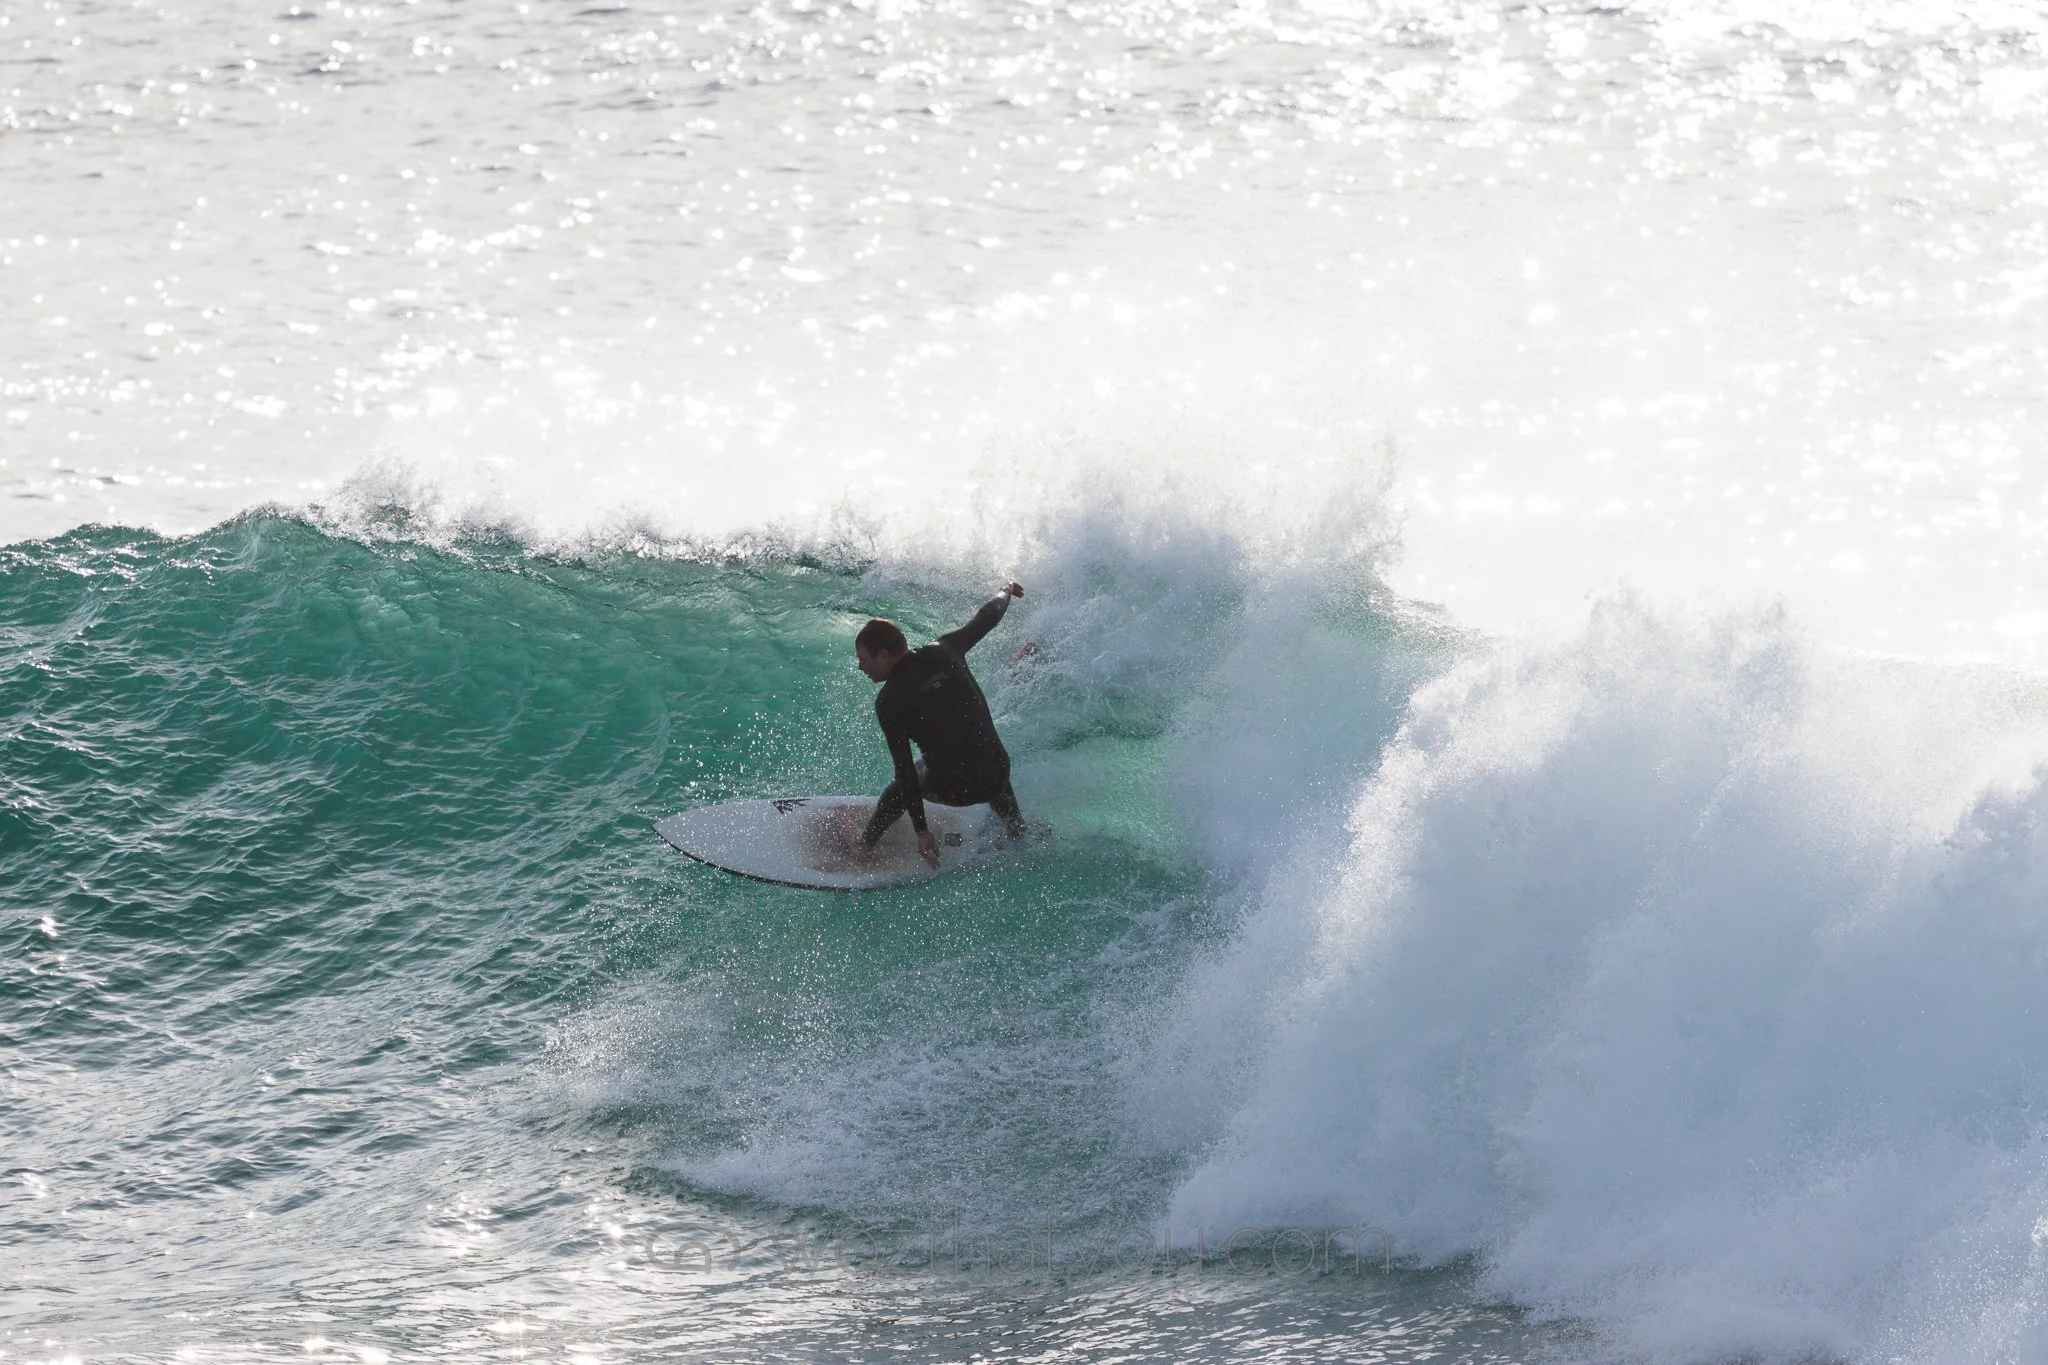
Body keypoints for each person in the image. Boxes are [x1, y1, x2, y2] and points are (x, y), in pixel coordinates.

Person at [851, 582, 1028, 868]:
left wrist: (922, 831)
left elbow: (905, 771)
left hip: (954, 789)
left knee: (901, 785)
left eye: (864, 659)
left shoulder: (889, 701)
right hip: (998, 775)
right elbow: (986, 617)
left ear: (884, 655)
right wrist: (1006, 591)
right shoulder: (946, 649)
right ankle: (1018, 830)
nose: (861, 666)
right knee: (981, 750)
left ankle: (864, 846)